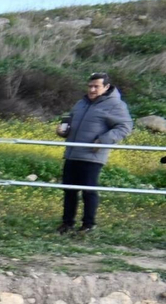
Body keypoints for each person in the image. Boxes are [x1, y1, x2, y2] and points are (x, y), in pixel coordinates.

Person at [54, 72, 133, 232]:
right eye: (90, 86)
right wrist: (63, 131)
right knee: (69, 190)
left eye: (96, 86)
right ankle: (67, 223)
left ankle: (88, 225)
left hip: (93, 156)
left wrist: (103, 140)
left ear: (106, 87)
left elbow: (125, 127)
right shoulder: (81, 103)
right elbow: (69, 121)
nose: (92, 89)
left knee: (88, 191)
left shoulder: (116, 105)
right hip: (72, 153)